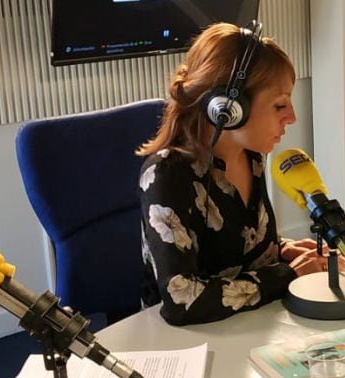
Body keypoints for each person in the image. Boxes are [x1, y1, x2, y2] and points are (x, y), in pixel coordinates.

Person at [137, 21, 334, 326]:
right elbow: (182, 299)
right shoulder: (166, 175)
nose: (292, 117)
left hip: (246, 325)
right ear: (227, 108)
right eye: (279, 104)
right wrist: (289, 273)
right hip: (187, 343)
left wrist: (281, 250)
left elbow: (233, 246)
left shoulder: (252, 155)